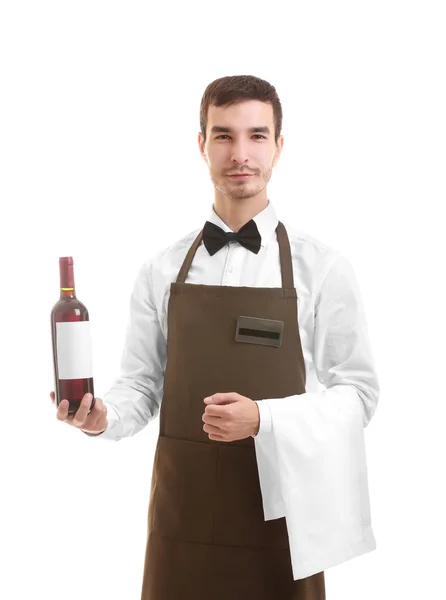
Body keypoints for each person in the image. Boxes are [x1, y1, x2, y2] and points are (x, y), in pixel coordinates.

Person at [50, 74, 380, 600]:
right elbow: (139, 387)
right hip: (182, 513)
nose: (240, 153)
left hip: (282, 515)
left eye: (256, 135)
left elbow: (359, 397)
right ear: (202, 145)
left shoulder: (324, 269)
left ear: (279, 146)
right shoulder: (160, 270)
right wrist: (100, 418)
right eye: (224, 135)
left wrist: (264, 418)